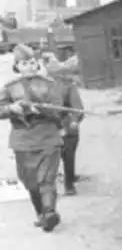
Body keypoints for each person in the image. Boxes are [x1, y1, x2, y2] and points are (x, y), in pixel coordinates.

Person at [0, 45, 64, 231]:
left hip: (47, 138)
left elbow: (58, 109)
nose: (28, 66)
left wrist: (41, 109)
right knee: (31, 182)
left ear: (37, 64)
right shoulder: (9, 88)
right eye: (23, 63)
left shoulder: (49, 84)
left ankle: (50, 211)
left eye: (31, 62)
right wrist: (10, 109)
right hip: (23, 142)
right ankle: (41, 214)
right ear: (17, 66)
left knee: (47, 179)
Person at [47, 61, 84, 196]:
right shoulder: (39, 86)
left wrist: (74, 120)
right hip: (48, 125)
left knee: (68, 153)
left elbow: (77, 107)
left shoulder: (68, 85)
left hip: (65, 123)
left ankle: (69, 183)